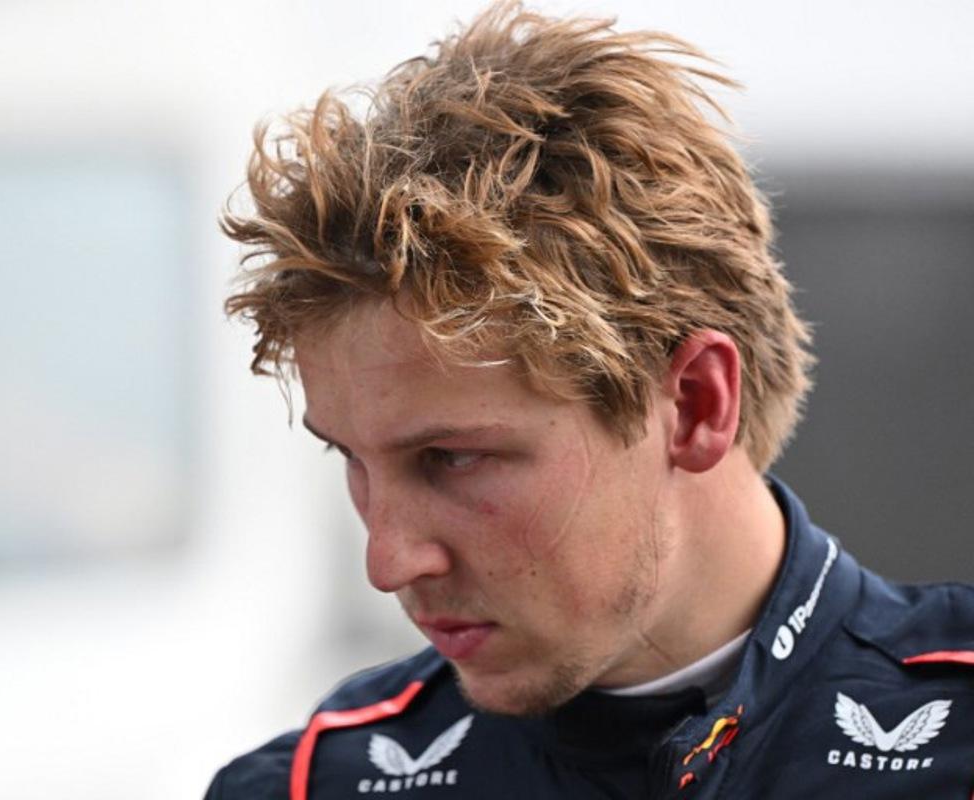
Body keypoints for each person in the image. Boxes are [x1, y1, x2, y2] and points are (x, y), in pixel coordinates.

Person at [207, 2, 974, 797]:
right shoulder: (311, 784)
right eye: (352, 460)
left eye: (452, 458)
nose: (388, 561)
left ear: (696, 406)